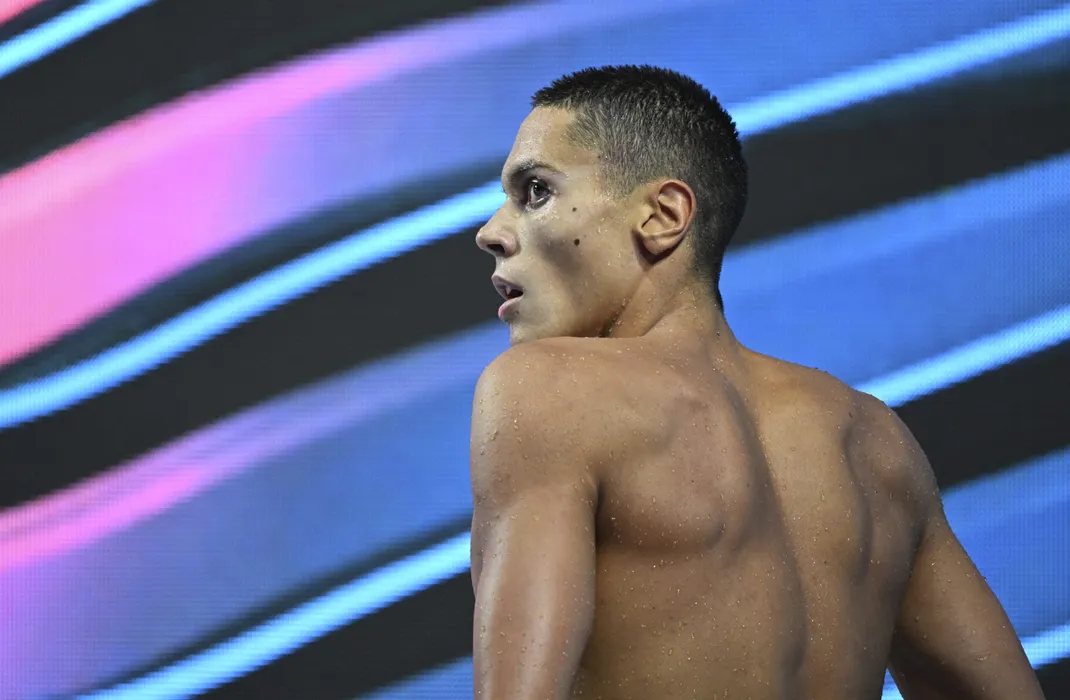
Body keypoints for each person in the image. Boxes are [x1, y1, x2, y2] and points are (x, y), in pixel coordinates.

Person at [468, 65, 1044, 700]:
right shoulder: (874, 442)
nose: (491, 232)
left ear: (663, 215)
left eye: (536, 191)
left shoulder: (545, 390)